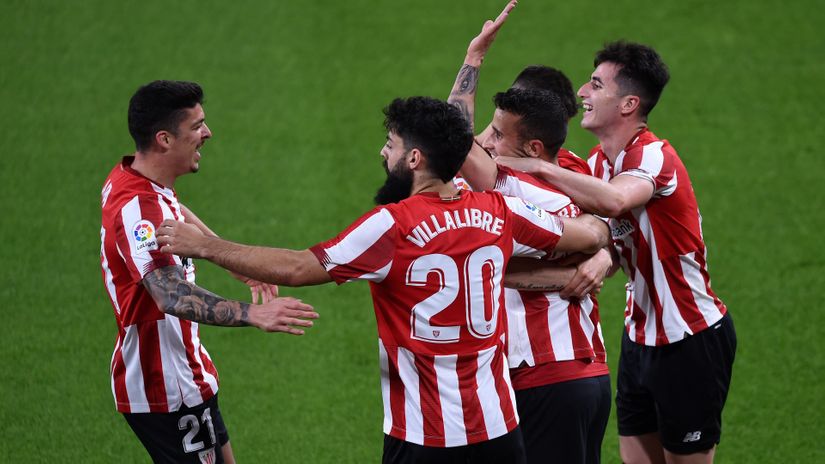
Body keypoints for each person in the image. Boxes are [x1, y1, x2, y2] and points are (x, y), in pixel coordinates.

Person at [156, 95, 611, 463]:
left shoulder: (392, 225)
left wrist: (207, 246)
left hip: (424, 436)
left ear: (414, 158)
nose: (383, 152)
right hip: (499, 431)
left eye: (390, 144)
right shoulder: (501, 211)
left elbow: (297, 267)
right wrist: (604, 240)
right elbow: (587, 234)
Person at [496, 42, 736, 464]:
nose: (582, 93)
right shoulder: (597, 163)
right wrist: (604, 254)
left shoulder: (655, 155)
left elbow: (614, 201)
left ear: (629, 104)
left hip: (689, 337)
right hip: (639, 336)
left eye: (595, 85)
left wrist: (538, 166)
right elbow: (600, 231)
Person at [99, 80, 319, 464]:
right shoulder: (139, 211)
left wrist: (228, 260)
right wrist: (255, 314)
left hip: (185, 374)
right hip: (167, 387)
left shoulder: (133, 177)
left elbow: (173, 211)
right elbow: (168, 294)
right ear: (165, 139)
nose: (208, 133)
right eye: (197, 126)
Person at [446, 10, 612, 463]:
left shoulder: (509, 184)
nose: (488, 142)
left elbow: (455, 142)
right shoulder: (572, 172)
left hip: (545, 378)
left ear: (533, 147)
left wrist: (474, 57)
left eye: (498, 134)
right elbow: (612, 221)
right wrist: (599, 251)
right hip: (586, 373)